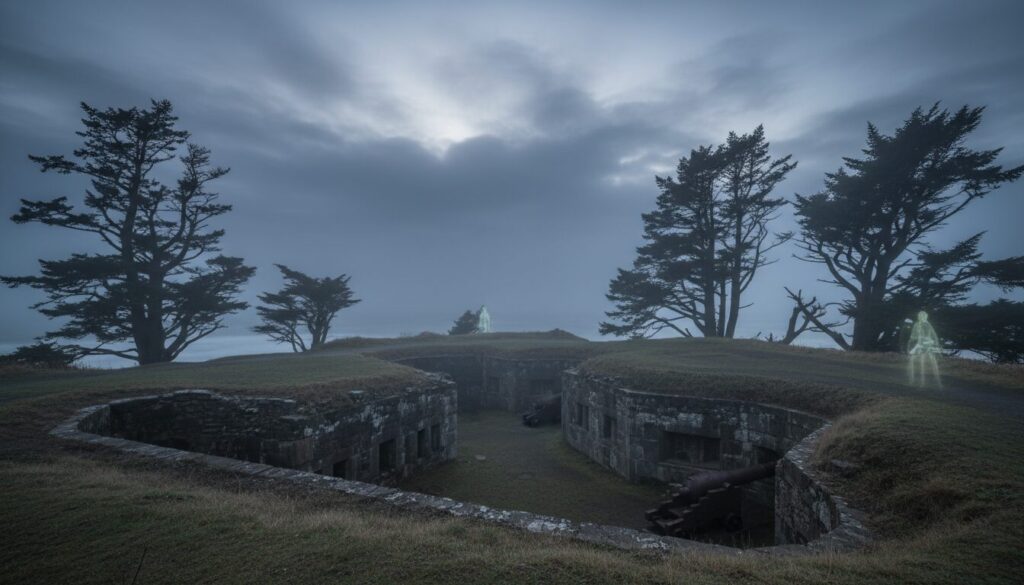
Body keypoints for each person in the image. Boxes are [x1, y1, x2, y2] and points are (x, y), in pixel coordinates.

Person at [907, 311, 942, 388]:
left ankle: (933, 382)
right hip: (919, 345)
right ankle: (912, 380)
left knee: (926, 362)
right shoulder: (916, 324)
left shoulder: (928, 324)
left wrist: (933, 343)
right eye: (920, 316)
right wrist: (912, 341)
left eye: (923, 316)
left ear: (926, 316)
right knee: (912, 360)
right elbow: (913, 336)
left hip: (927, 345)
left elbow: (934, 336)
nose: (921, 317)